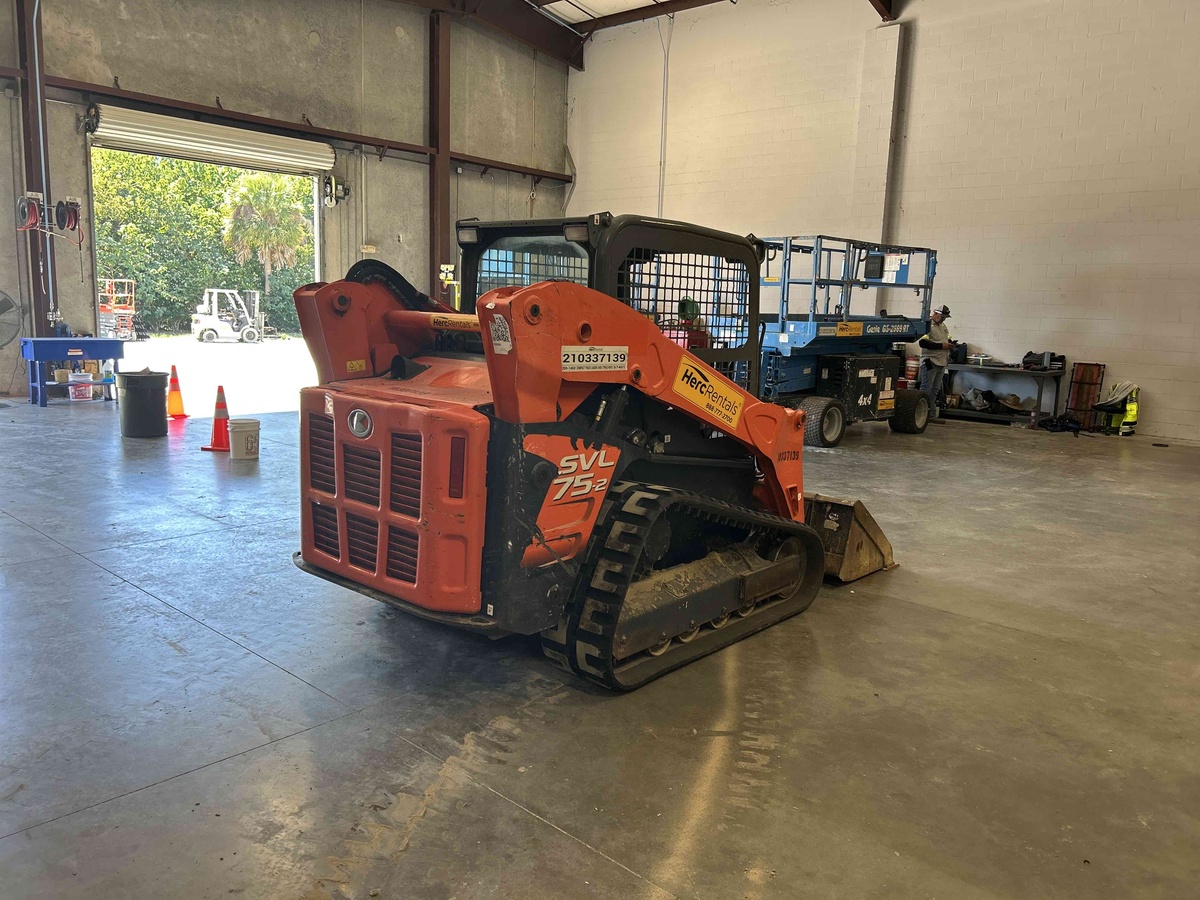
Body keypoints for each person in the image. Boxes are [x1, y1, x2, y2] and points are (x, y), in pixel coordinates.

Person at [918, 304, 955, 421]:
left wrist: (949, 343)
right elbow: (922, 343)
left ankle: (931, 415)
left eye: (945, 317)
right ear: (936, 314)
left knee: (935, 390)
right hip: (930, 361)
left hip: (941, 362)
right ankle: (920, 414)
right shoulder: (927, 326)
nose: (944, 319)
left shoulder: (943, 326)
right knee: (926, 389)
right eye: (942, 317)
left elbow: (945, 338)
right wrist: (942, 346)